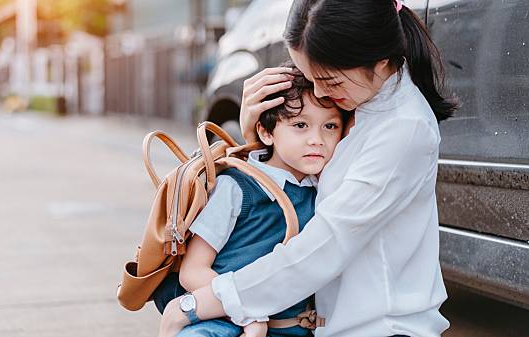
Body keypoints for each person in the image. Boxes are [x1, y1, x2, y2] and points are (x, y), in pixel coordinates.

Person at [158, 0, 459, 336]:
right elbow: (300, 188)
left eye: (329, 80)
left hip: (383, 328)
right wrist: (259, 136)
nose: (319, 92)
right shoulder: (361, 106)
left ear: (379, 60)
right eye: (311, 78)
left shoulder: (403, 128)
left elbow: (323, 248)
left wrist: (198, 304)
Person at [153, 66, 345, 337]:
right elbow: (193, 271)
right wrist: (246, 313)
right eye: (300, 125)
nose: (317, 140)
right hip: (221, 321)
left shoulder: (325, 190)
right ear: (266, 133)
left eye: (330, 126)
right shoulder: (238, 187)